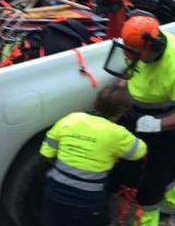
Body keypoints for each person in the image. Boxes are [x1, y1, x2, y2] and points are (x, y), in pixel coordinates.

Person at [118, 15, 175, 226]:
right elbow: (131, 69)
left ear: (152, 48)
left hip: (172, 115)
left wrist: (157, 125)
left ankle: (146, 219)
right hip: (147, 109)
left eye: (132, 52)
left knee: (155, 167)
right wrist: (121, 88)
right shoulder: (138, 43)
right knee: (168, 157)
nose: (127, 55)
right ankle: (174, 203)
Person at [39, 84, 147, 226]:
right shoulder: (117, 133)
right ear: (122, 113)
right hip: (88, 201)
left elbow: (46, 154)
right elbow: (140, 152)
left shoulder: (71, 119)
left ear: (95, 102)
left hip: (55, 194)